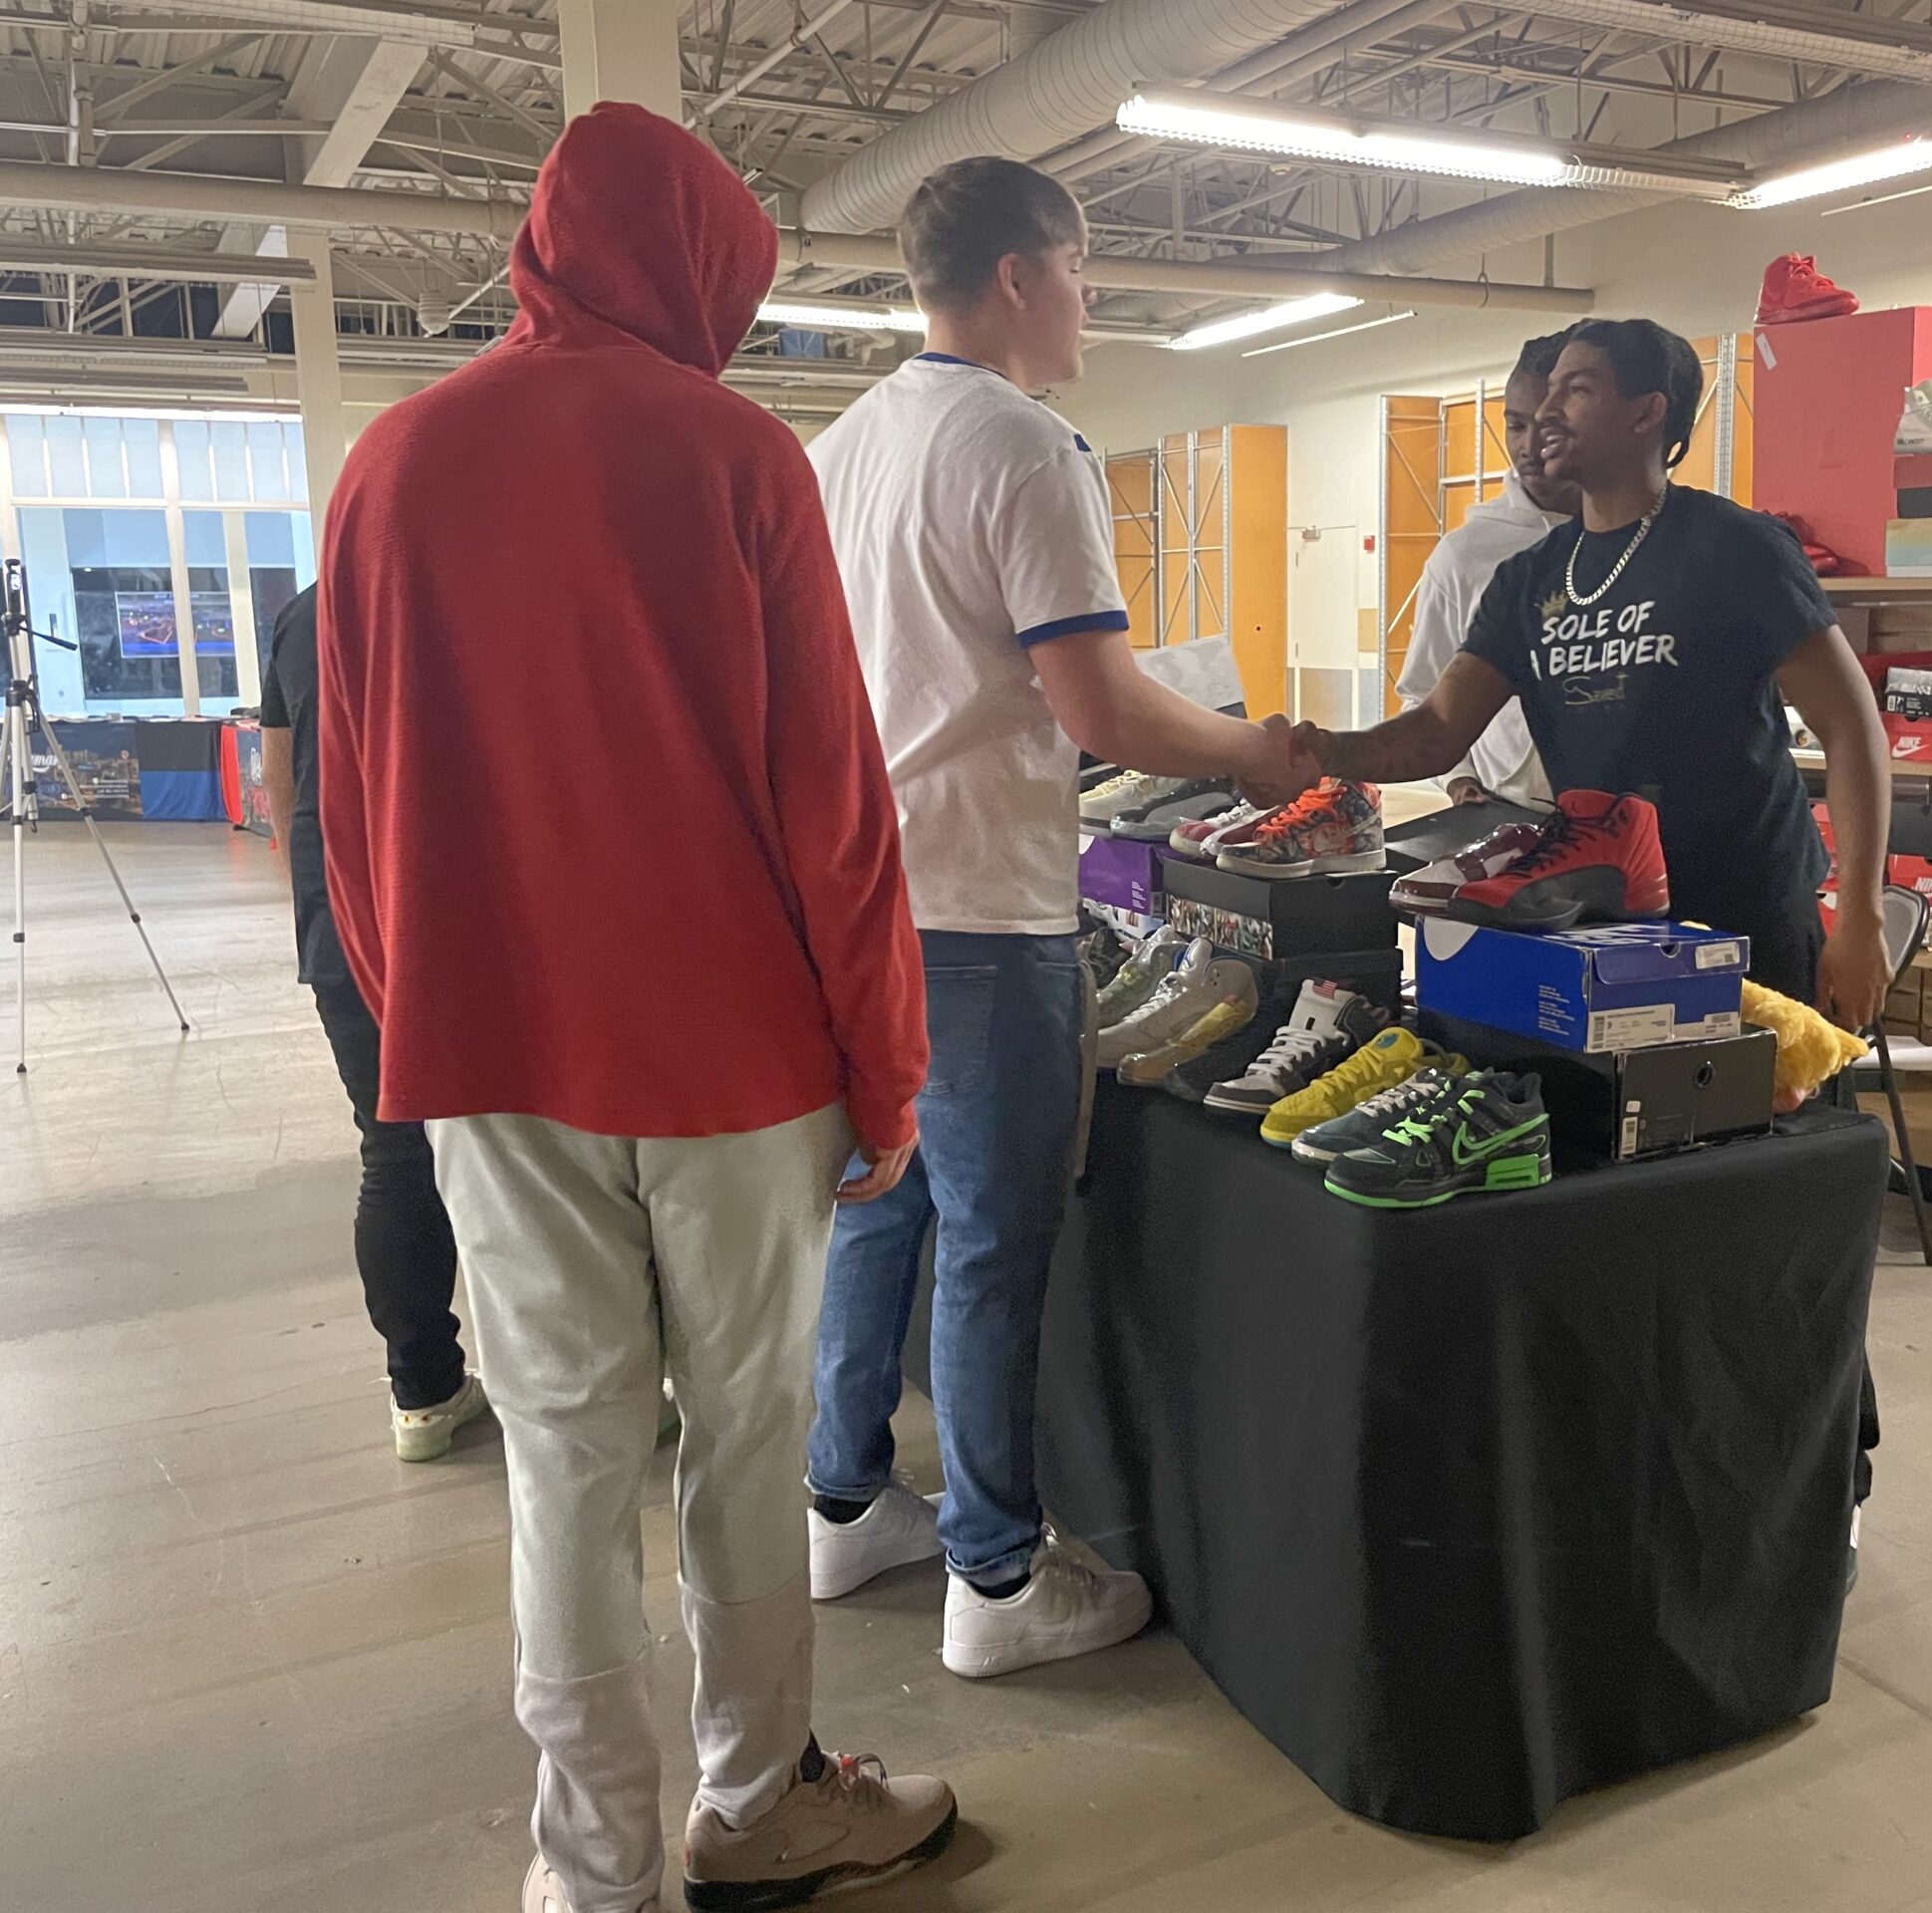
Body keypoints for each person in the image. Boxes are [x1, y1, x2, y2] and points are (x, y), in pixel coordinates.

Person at [315, 105, 956, 1913]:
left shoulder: (390, 465)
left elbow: (349, 806)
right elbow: (833, 807)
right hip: (738, 1061)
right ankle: (756, 1810)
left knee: (566, 1450)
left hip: (491, 1059)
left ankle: (588, 1868)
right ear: (693, 270)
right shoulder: (738, 456)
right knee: (746, 1434)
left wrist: (415, 1025)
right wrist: (884, 1072)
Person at [803, 155, 1316, 1679]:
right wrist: (1254, 749)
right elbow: (1098, 702)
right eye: (1085, 270)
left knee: (877, 1211)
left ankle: (841, 1502)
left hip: (868, 899)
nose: (1094, 299)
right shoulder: (1026, 446)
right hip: (983, 911)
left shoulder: (841, 448)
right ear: (1022, 275)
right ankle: (1000, 1575)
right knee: (993, 1243)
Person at [1299, 316, 1892, 1024]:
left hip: (1743, 906)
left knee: (1760, 1122)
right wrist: (1318, 752)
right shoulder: (1528, 579)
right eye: (1548, 392)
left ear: (1648, 412)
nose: (1547, 413)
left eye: (1576, 390)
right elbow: (1437, 731)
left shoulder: (1736, 547)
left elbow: (1852, 728)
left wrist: (1861, 915)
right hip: (1600, 903)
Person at [257, 584, 485, 1464]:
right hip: (466, 911)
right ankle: (586, 1379)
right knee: (540, 1151)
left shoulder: (300, 615)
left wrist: (316, 902)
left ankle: (422, 1394)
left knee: (393, 1153)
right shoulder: (470, 583)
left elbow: (282, 785)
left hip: (340, 917)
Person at [1394, 329, 1582, 813]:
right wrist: (1457, 778)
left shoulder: (1657, 542)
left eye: (1553, 425)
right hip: (1509, 812)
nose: (1530, 446)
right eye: (1517, 425)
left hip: (1635, 822)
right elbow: (1422, 695)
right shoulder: (1467, 554)